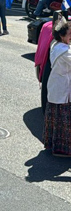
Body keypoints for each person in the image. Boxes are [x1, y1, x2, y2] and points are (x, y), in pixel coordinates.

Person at [43, 17, 71, 157]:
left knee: (54, 115)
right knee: (62, 117)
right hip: (62, 87)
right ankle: (61, 150)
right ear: (62, 35)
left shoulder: (55, 45)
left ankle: (52, 145)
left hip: (56, 85)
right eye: (70, 34)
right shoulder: (66, 52)